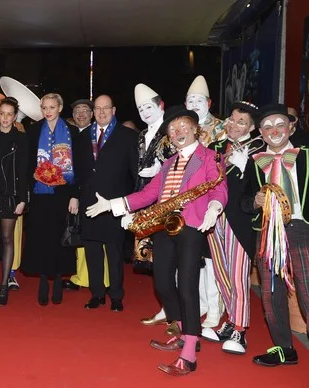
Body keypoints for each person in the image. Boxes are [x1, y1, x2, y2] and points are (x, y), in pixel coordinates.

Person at [87, 105, 227, 376]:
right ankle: (181, 330)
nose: (178, 132)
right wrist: (115, 204)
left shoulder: (210, 157)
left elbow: (218, 186)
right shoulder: (168, 164)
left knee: (187, 286)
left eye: (183, 126)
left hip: (193, 226)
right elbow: (149, 194)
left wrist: (214, 208)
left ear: (195, 129)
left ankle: (189, 352)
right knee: (162, 283)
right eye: (173, 129)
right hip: (165, 226)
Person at [241, 103, 309, 367]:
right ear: (260, 132)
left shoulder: (305, 155)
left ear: (291, 126)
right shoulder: (255, 162)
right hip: (267, 232)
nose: (274, 131)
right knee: (271, 293)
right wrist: (255, 201)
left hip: (302, 229)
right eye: (267, 127)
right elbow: (242, 202)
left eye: (280, 124)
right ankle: (284, 349)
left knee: (307, 290)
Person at [203, 101, 259, 354]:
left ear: (252, 126)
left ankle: (240, 329)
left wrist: (247, 166)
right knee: (222, 275)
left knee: (238, 277)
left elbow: (260, 189)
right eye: (232, 120)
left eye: (241, 122)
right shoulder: (216, 147)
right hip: (214, 220)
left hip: (240, 222)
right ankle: (229, 321)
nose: (234, 125)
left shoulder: (259, 150)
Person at [76, 94, 139, 311]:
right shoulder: (83, 137)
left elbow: (135, 173)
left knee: (113, 252)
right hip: (89, 202)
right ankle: (97, 294)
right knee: (92, 250)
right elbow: (78, 171)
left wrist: (131, 204)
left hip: (114, 203)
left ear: (114, 110)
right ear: (93, 112)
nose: (101, 112)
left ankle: (116, 296)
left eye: (106, 108)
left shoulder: (128, 136)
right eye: (98, 109)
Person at [21, 93, 79, 306]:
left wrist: (75, 195)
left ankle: (58, 279)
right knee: (41, 237)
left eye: (52, 107)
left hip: (63, 194)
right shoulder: (34, 131)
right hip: (40, 193)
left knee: (60, 238)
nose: (48, 111)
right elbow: (27, 163)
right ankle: (44, 279)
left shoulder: (72, 132)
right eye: (44, 107)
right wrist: (32, 178)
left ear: (60, 108)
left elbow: (79, 166)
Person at [132, 84, 177, 333]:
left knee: (170, 262)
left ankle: (177, 315)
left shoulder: (170, 131)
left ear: (161, 106)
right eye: (140, 109)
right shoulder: (141, 135)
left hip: (168, 204)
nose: (144, 112)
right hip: (145, 202)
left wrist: (159, 170)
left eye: (148, 107)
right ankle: (167, 309)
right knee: (154, 260)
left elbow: (180, 164)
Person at [186, 75, 225, 328]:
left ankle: (214, 308)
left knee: (211, 259)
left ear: (209, 102)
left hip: (213, 200)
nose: (195, 105)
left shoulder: (222, 129)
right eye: (190, 101)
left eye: (199, 101)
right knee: (193, 258)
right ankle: (199, 302)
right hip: (188, 204)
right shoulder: (183, 128)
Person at [0, 97, 28, 305]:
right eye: (2, 113)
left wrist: (22, 199)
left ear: (15, 116)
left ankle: (4, 285)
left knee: (8, 239)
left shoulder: (21, 139)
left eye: (10, 114)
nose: (5, 118)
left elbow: (24, 171)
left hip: (11, 195)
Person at [64, 98, 100, 291]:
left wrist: (76, 194)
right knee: (77, 234)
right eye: (77, 110)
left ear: (92, 114)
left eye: (85, 110)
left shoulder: (95, 136)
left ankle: (89, 278)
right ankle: (79, 276)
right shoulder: (71, 135)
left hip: (89, 193)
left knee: (91, 237)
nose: (81, 114)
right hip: (73, 191)